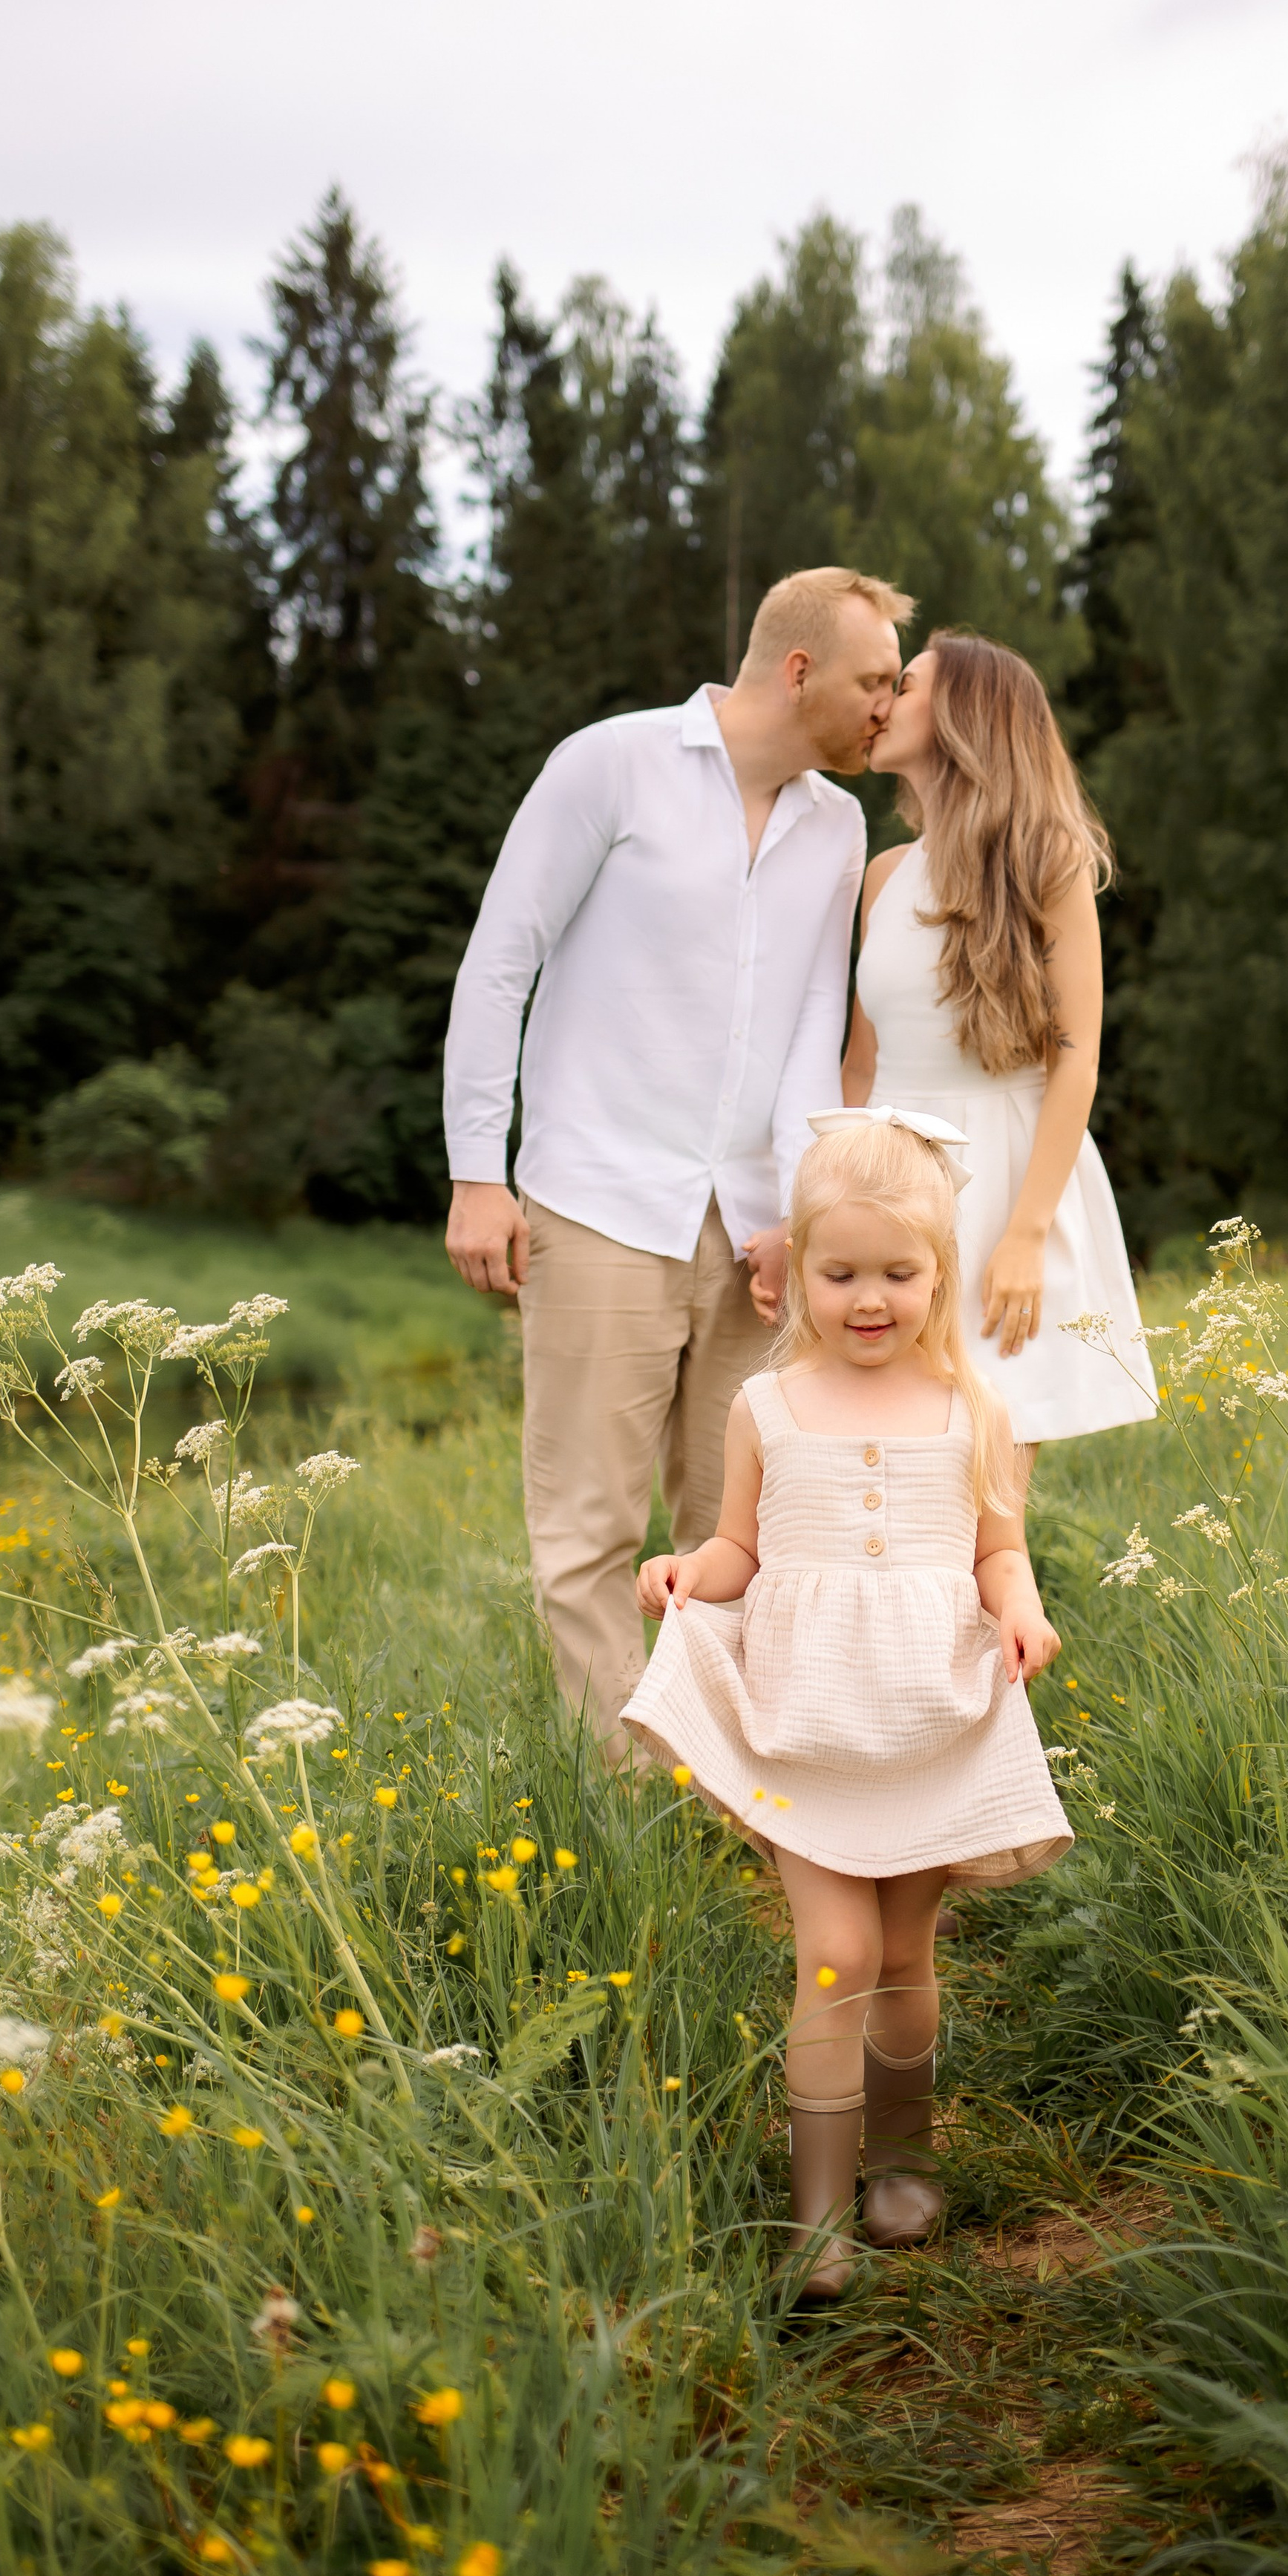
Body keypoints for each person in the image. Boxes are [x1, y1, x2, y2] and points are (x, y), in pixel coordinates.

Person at [442, 567, 912, 1763]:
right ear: (798, 668)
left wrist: (801, 1215)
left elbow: (817, 1023)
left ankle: (728, 1791)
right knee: (591, 1534)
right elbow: (502, 962)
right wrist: (475, 1173)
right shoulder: (612, 764)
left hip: (756, 1231)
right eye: (873, 679)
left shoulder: (840, 824)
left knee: (738, 1526)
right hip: (596, 1199)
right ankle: (628, 1812)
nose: (889, 705)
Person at [624, 1114, 1071, 2300]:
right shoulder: (767, 1412)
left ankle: (905, 2157)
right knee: (835, 1952)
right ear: (795, 1273)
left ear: (940, 1276)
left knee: (907, 1947)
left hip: (927, 1712)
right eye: (840, 1274)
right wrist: (686, 1573)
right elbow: (739, 1548)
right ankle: (817, 2213)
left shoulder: (974, 1411)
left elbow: (998, 1551)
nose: (868, 1299)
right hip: (808, 1717)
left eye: (898, 1274)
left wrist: (1020, 1607)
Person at [842, 630, 1155, 1476]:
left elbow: (1075, 1057)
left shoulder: (1045, 860)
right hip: (888, 1177)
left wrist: (1025, 1233)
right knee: (882, 1472)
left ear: (959, 717)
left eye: (903, 685)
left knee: (984, 1491)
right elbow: (861, 1066)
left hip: (1009, 1182)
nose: (881, 701)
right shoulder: (882, 875)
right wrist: (823, 1207)